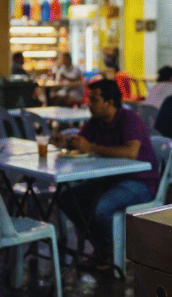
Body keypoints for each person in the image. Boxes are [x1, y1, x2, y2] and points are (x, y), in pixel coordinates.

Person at [54, 79, 159, 270]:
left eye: (94, 100)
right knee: (67, 198)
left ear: (109, 102)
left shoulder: (129, 119)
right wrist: (67, 142)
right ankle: (103, 247)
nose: (89, 104)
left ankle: (109, 253)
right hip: (110, 180)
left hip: (140, 182)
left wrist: (91, 147)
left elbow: (131, 152)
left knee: (100, 208)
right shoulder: (96, 121)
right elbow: (82, 142)